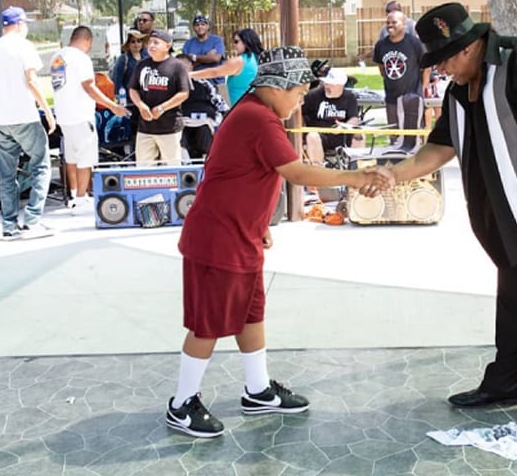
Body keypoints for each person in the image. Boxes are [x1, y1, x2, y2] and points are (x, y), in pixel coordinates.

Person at [387, 2, 517, 423]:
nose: (441, 69)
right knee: (514, 294)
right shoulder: (458, 91)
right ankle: (506, 381)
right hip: (508, 208)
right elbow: (439, 147)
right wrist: (392, 174)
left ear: (467, 47)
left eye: (444, 59)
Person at [167, 46, 391, 438]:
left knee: (250, 314)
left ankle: (257, 390)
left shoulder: (257, 113)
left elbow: (247, 174)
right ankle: (182, 403)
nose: (301, 100)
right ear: (276, 87)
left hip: (241, 234)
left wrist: (259, 222)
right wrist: (356, 178)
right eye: (299, 92)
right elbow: (296, 172)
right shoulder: (258, 118)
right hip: (217, 239)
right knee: (208, 323)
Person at [0, 7, 57, 240]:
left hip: (2, 120)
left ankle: (9, 225)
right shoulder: (25, 46)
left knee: (7, 174)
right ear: (20, 24)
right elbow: (31, 80)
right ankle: (32, 221)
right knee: (41, 165)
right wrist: (47, 111)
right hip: (25, 116)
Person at [50, 26, 130, 213]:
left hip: (64, 115)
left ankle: (74, 194)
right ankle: (81, 199)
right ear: (88, 40)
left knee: (71, 157)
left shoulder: (58, 56)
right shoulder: (81, 58)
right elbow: (89, 86)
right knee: (85, 158)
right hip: (80, 114)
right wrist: (112, 106)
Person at [127, 29, 190, 166]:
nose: (151, 45)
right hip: (145, 128)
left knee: (172, 169)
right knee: (143, 169)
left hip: (169, 128)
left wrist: (162, 108)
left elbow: (184, 93)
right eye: (150, 42)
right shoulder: (142, 65)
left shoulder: (177, 66)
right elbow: (132, 89)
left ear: (167, 46)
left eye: (156, 42)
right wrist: (140, 105)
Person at [372, 10, 430, 151]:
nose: (390, 25)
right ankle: (395, 162)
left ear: (404, 24)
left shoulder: (414, 43)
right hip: (391, 98)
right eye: (388, 22)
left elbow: (426, 67)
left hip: (411, 98)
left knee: (412, 139)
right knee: (395, 138)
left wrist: (422, 89)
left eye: (394, 22)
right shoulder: (381, 45)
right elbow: (381, 67)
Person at [301, 67, 364, 165]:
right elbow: (299, 113)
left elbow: (354, 118)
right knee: (312, 136)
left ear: (340, 86)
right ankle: (319, 168)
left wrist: (344, 127)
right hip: (320, 135)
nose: (327, 86)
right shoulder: (313, 95)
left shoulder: (349, 97)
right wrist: (301, 133)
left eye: (331, 84)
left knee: (359, 135)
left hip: (341, 135)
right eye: (326, 83)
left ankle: (354, 166)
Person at [190, 28, 263, 106]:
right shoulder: (257, 58)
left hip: (240, 106)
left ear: (245, 42)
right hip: (255, 104)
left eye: (236, 41)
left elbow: (215, 72)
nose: (234, 45)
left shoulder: (239, 61)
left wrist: (190, 74)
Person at [175, 53, 228, 160]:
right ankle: (185, 163)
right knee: (178, 133)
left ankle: (206, 161)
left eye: (185, 66)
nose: (183, 70)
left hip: (204, 119)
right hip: (181, 120)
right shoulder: (171, 85)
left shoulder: (204, 83)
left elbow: (221, 104)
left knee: (204, 130)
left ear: (191, 67)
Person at [110, 29, 147, 154]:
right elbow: (118, 80)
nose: (136, 44)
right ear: (128, 44)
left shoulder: (146, 58)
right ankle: (129, 154)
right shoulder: (124, 59)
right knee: (129, 130)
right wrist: (120, 100)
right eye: (133, 41)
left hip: (144, 101)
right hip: (129, 102)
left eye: (139, 41)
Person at [182, 15, 226, 95]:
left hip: (216, 83)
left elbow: (216, 58)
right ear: (193, 28)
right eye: (197, 25)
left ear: (207, 26)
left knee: (222, 103)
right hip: (196, 83)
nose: (200, 27)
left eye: (203, 24)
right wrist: (207, 57)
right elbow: (186, 66)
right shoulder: (188, 44)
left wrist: (194, 57)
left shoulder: (217, 40)